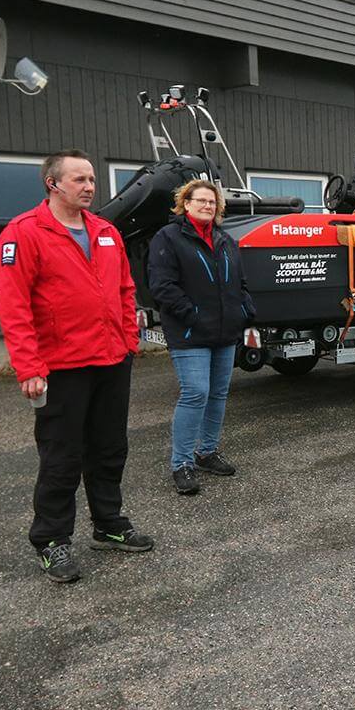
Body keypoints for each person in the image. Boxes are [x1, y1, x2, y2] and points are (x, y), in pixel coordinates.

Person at [0, 149, 154, 583]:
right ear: (53, 184)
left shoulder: (105, 231)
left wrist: (129, 341)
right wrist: (28, 366)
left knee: (109, 448)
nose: (90, 187)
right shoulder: (24, 233)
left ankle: (109, 525)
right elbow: (13, 305)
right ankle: (51, 540)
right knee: (62, 456)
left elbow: (124, 287)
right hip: (61, 367)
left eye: (91, 179)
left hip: (111, 359)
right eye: (80, 179)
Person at [148, 179, 256, 495]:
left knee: (218, 394)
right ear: (186, 203)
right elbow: (162, 287)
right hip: (190, 333)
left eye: (212, 202)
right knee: (195, 393)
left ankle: (207, 452)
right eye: (201, 200)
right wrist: (192, 315)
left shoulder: (225, 239)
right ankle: (182, 463)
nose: (207, 205)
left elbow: (241, 281)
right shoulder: (167, 237)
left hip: (225, 332)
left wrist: (244, 310)